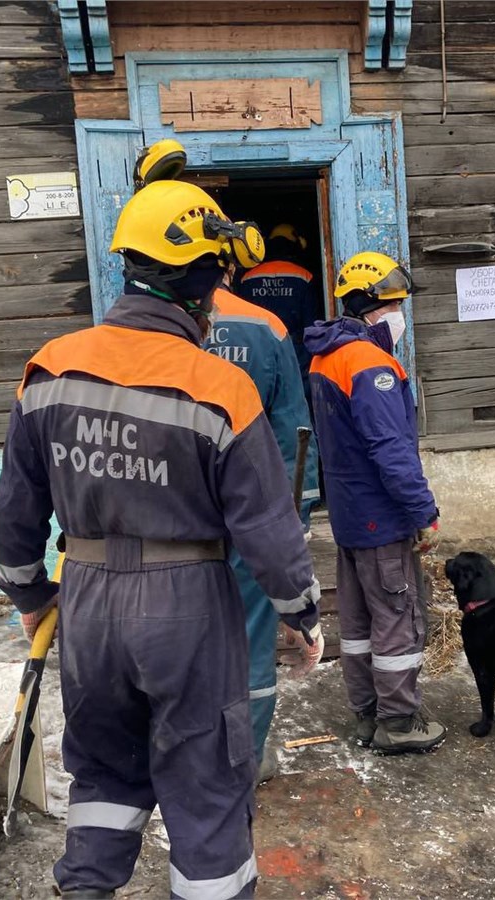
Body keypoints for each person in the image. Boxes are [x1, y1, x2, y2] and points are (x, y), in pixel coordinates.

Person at [0, 178, 322, 899]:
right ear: (206, 280)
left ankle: (85, 889)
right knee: (204, 780)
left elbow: (16, 512)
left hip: (85, 601)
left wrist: (29, 595)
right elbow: (265, 525)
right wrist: (300, 611)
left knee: (104, 774)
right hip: (186, 608)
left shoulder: (47, 369)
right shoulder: (218, 387)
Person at [303, 251, 445, 755]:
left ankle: (367, 714)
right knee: (396, 619)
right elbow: (390, 448)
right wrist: (423, 512)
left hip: (347, 515)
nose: (399, 316)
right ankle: (400, 723)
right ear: (370, 308)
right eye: (394, 305)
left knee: (360, 622)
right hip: (380, 516)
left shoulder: (326, 356)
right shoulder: (369, 363)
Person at [206, 266, 322, 778]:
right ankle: (244, 761)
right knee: (252, 641)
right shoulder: (269, 329)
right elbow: (293, 433)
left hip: (167, 522)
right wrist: (296, 520)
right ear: (229, 268)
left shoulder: (137, 335)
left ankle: (183, 763)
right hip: (247, 520)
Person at [239, 225, 320, 389]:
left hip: (256, 348)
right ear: (295, 245)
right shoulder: (304, 276)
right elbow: (312, 324)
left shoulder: (247, 278)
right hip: (295, 350)